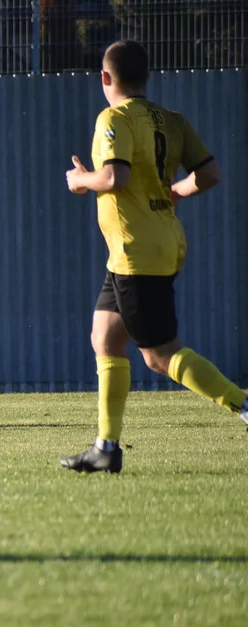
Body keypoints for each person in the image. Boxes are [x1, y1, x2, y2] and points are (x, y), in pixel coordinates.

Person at [61, 39, 248, 474]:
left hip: (136, 250)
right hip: (153, 244)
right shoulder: (171, 119)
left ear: (106, 78)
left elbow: (114, 175)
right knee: (105, 336)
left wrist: (80, 179)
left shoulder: (113, 117)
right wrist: (178, 190)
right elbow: (211, 173)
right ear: (147, 77)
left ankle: (243, 405)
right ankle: (106, 447)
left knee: (160, 355)